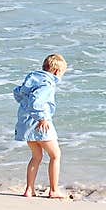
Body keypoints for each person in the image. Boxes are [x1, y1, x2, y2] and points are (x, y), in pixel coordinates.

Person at [13, 53, 70, 199]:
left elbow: (18, 94)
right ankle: (53, 190)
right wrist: (42, 118)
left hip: (26, 124)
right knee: (55, 155)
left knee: (36, 156)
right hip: (40, 124)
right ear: (57, 71)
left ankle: (29, 189)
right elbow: (36, 102)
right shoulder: (47, 83)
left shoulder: (31, 80)